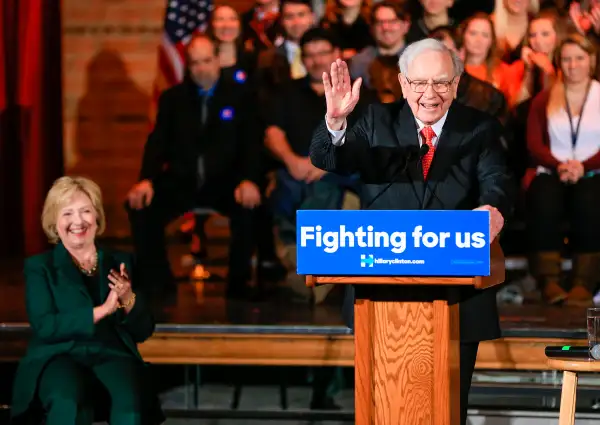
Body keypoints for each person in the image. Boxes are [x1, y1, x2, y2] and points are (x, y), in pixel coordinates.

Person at [309, 38, 515, 425]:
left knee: (449, 409)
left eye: (440, 82)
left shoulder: (480, 128)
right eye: (419, 83)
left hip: (456, 295)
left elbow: (497, 181)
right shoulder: (375, 121)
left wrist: (494, 209)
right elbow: (328, 158)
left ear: (456, 83)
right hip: (380, 294)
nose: (429, 94)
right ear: (403, 84)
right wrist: (335, 122)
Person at [126, 35, 283, 299]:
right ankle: (159, 285)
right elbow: (158, 143)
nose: (201, 68)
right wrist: (146, 179)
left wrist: (249, 179)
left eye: (207, 61)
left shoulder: (243, 97)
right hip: (182, 181)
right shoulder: (172, 98)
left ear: (218, 60)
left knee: (250, 208)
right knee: (140, 205)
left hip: (227, 181)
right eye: (195, 63)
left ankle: (239, 286)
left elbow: (251, 145)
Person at [10, 176, 163, 425]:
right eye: (67, 214)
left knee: (131, 403)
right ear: (54, 222)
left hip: (109, 352)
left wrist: (127, 297)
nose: (78, 221)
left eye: (85, 211)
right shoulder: (40, 267)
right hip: (57, 355)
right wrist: (102, 311)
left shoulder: (120, 262)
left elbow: (143, 330)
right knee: (70, 401)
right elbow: (46, 326)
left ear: (97, 217)